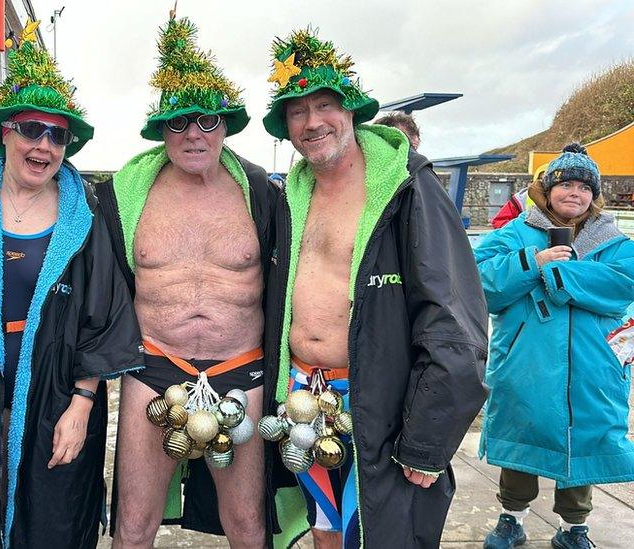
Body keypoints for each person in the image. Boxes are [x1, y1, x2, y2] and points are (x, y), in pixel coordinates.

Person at [260, 28, 488, 548]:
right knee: (323, 527)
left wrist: (428, 442)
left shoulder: (407, 188)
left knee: (381, 536)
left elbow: (455, 320)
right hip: (304, 400)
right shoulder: (292, 195)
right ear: (286, 126)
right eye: (298, 111)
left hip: (379, 407)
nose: (313, 122)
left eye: (326, 106)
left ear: (353, 112)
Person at [0, 28, 142, 549]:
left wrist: (81, 406)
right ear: (5, 132)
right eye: (30, 129)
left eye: (57, 136)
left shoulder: (85, 216)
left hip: (55, 396)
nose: (43, 145)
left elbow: (103, 316)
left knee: (52, 519)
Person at [99, 15, 276, 549]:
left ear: (224, 124)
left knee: (247, 524)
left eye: (204, 120)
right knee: (133, 525)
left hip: (240, 369)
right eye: (178, 123)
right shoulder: (124, 197)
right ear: (161, 131)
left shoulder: (263, 196)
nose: (193, 134)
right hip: (156, 366)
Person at [476, 144, 634, 549]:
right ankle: (511, 518)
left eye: (584, 186)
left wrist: (561, 274)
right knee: (523, 434)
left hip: (594, 364)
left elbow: (625, 284)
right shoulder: (515, 232)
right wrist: (533, 261)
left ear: (593, 195)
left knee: (584, 438)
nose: (575, 192)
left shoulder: (615, 240)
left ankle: (574, 527)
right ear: (547, 189)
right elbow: (479, 281)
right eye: (566, 183)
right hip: (524, 361)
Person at [490, 163, 547, 229]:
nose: (543, 182)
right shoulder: (521, 199)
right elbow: (498, 221)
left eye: (547, 178)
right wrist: (519, 230)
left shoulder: (560, 199)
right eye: (540, 179)